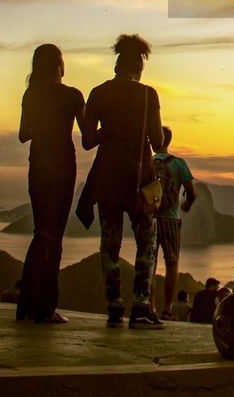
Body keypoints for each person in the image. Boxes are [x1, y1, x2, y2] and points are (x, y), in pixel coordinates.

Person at [76, 34, 165, 328]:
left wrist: (110, 130)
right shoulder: (148, 95)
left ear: (116, 63)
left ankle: (114, 307)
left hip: (108, 177)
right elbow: (158, 139)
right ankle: (140, 307)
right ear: (138, 65)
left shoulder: (99, 93)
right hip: (140, 179)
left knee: (110, 242)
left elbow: (88, 140)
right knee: (147, 242)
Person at [17, 43, 86, 324]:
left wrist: (43, 125)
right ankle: (44, 309)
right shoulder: (72, 95)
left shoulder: (31, 93)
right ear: (60, 63)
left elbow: (23, 134)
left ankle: (26, 307)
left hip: (38, 166)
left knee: (40, 232)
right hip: (62, 167)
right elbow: (89, 137)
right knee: (53, 237)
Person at [151, 126, 196, 313]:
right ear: (168, 141)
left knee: (149, 264)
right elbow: (192, 192)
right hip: (171, 219)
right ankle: (167, 308)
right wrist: (186, 204)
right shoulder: (179, 164)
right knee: (172, 263)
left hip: (150, 218)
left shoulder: (147, 162)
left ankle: (149, 306)